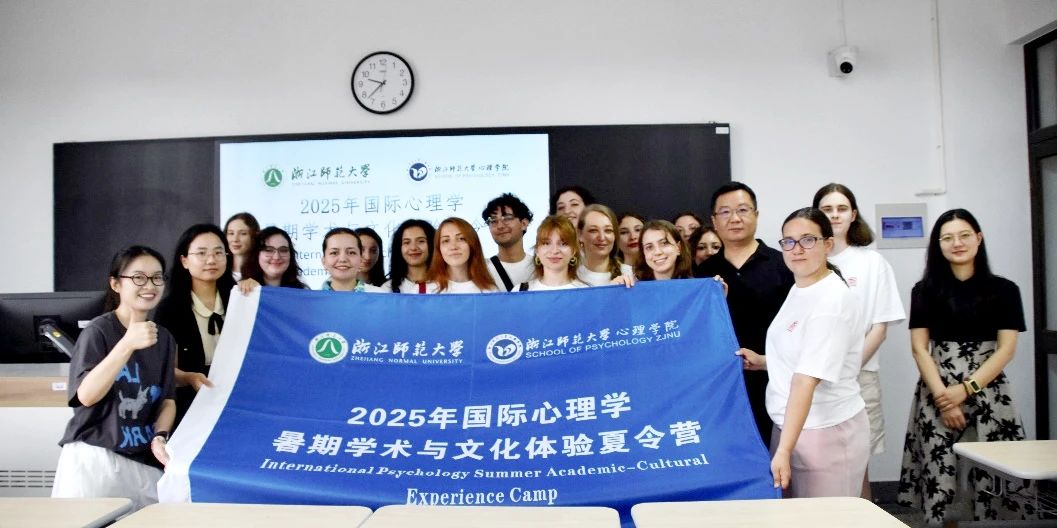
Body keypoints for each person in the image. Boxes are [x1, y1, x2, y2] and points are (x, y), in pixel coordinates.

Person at [897, 209, 1027, 525]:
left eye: (964, 235)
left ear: (978, 239)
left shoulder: (1005, 290)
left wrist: (966, 389)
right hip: (936, 389)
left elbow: (1006, 349)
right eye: (948, 237)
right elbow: (919, 348)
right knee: (940, 474)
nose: (957, 243)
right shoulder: (924, 290)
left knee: (993, 474)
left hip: (989, 391)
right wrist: (944, 398)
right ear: (938, 245)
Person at [738, 207, 868, 498]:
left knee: (826, 517)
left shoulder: (831, 301)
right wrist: (764, 362)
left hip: (824, 432)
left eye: (808, 240)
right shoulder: (801, 288)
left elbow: (806, 380)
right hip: (792, 427)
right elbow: (804, 354)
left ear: (828, 244)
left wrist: (783, 450)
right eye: (789, 241)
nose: (797, 249)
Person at [51, 246, 176, 511]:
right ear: (116, 284)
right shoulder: (98, 331)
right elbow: (86, 396)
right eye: (138, 277)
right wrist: (127, 344)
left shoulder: (164, 338)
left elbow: (166, 399)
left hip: (144, 460)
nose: (149, 285)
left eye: (157, 277)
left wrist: (160, 436)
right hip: (96, 457)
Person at [813, 183, 905, 500]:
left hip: (858, 375)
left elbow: (880, 327)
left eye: (841, 209)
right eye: (827, 209)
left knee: (857, 463)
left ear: (853, 214)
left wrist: (847, 368)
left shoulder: (872, 263)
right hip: (814, 377)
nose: (834, 215)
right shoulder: (807, 259)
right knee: (820, 460)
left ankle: (863, 516)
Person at [696, 182, 794, 444]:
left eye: (742, 210)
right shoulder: (703, 273)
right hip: (721, 388)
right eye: (725, 212)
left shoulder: (783, 264)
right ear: (714, 221)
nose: (735, 218)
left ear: (756, 215)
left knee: (779, 456)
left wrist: (768, 361)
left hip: (777, 383)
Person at [155, 224, 230, 428]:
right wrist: (188, 378)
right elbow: (166, 369)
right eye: (202, 253)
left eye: (218, 252)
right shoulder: (170, 309)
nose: (211, 260)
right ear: (184, 261)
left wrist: (255, 293)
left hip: (237, 398)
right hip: (191, 403)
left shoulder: (239, 299)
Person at [425, 217, 498, 294]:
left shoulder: (491, 291)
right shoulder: (425, 291)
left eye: (461, 238)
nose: (453, 246)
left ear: (473, 244)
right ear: (438, 248)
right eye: (446, 241)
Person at [481, 193, 535, 291]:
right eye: (493, 221)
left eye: (507, 218)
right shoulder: (482, 270)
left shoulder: (540, 267)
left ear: (523, 223)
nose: (500, 226)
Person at [523, 215, 587, 290]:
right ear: (537, 250)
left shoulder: (587, 292)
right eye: (546, 243)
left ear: (573, 250)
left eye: (563, 244)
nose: (554, 251)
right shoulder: (520, 292)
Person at [576, 204, 633, 286]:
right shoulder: (569, 274)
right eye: (593, 230)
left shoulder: (629, 274)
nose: (602, 237)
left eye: (608, 230)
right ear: (580, 234)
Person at [244, 226, 308, 289]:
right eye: (269, 250)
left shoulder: (302, 292)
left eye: (283, 250)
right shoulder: (244, 290)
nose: (276, 257)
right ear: (257, 254)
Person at [383, 219, 436, 294]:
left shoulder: (447, 287)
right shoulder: (387, 289)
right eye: (407, 242)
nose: (413, 248)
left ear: (433, 244)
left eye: (421, 241)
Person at [320, 227, 374, 292]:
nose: (342, 259)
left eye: (351, 253)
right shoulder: (312, 297)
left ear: (361, 260)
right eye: (334, 253)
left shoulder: (380, 295)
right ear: (324, 262)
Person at [224, 212, 260, 281]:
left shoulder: (263, 271)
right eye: (231, 233)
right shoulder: (220, 269)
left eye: (243, 234)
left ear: (254, 236)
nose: (235, 239)